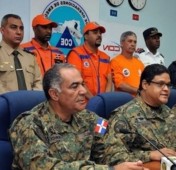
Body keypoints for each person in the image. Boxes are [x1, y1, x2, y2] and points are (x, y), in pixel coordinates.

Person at [9, 63, 148, 170]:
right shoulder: (29, 124)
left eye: (82, 84)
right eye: (74, 86)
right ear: (54, 94)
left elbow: (110, 148)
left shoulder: (91, 119)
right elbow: (44, 167)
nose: (83, 91)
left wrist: (128, 164)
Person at [103, 64, 176, 165]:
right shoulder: (123, 116)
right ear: (145, 84)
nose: (166, 89)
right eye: (160, 84)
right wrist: (150, 155)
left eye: (168, 85)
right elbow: (112, 157)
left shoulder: (167, 111)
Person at [67, 22, 112, 99]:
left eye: (100, 33)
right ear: (86, 36)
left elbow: (109, 81)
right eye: (95, 32)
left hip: (102, 104)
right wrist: (93, 101)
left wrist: (104, 100)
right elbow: (77, 81)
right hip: (82, 104)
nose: (99, 35)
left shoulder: (106, 57)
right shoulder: (76, 53)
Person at [0, 14, 42, 94]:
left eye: (21, 28)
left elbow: (38, 83)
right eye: (13, 27)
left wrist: (33, 102)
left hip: (31, 105)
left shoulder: (30, 57)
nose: (19, 32)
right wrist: (12, 102)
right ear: (2, 30)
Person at [111, 31, 144, 96]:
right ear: (122, 43)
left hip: (140, 101)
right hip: (124, 102)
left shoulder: (139, 63)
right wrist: (138, 91)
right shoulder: (115, 61)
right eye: (130, 41)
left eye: (135, 42)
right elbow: (119, 84)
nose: (133, 44)